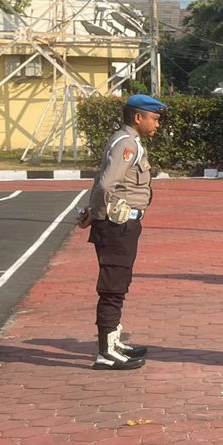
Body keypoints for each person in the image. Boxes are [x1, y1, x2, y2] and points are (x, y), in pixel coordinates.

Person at [77, 93, 166, 371]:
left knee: (118, 284)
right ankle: (106, 352)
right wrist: (99, 215)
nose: (157, 124)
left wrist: (94, 212)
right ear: (138, 117)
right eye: (154, 119)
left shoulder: (128, 141)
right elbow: (106, 185)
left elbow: (103, 181)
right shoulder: (126, 144)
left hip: (121, 224)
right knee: (112, 288)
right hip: (117, 225)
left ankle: (113, 342)